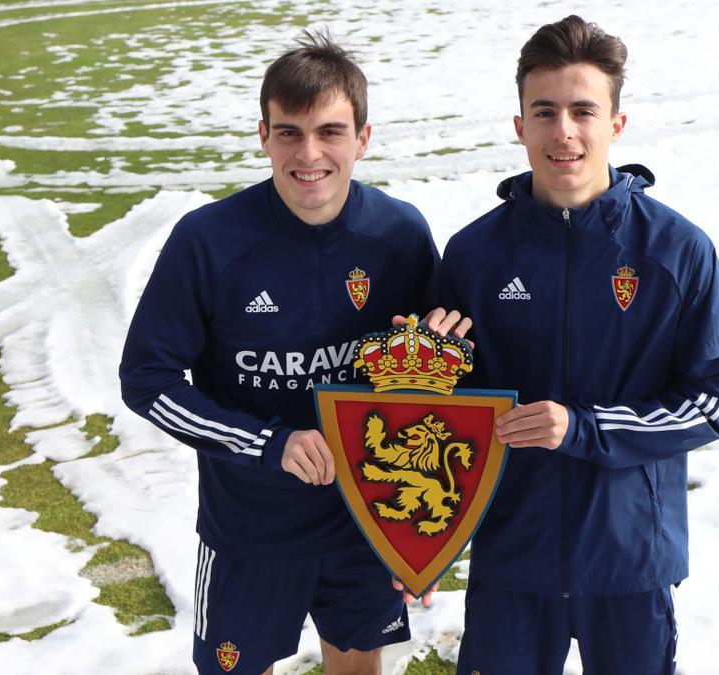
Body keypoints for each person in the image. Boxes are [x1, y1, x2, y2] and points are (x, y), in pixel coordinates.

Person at [120, 32, 465, 675]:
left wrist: (423, 540)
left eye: (331, 132)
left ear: (363, 138)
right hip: (250, 530)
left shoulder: (400, 234)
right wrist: (268, 443)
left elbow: (428, 395)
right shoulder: (208, 241)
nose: (310, 154)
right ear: (263, 135)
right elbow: (147, 379)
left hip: (365, 521)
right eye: (290, 132)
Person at [438, 15, 719, 675]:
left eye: (584, 110)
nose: (564, 132)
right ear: (519, 125)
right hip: (512, 560)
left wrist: (583, 427)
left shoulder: (675, 251)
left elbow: (716, 399)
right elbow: (445, 418)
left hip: (629, 559)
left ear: (616, 123)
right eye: (544, 111)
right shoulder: (473, 256)